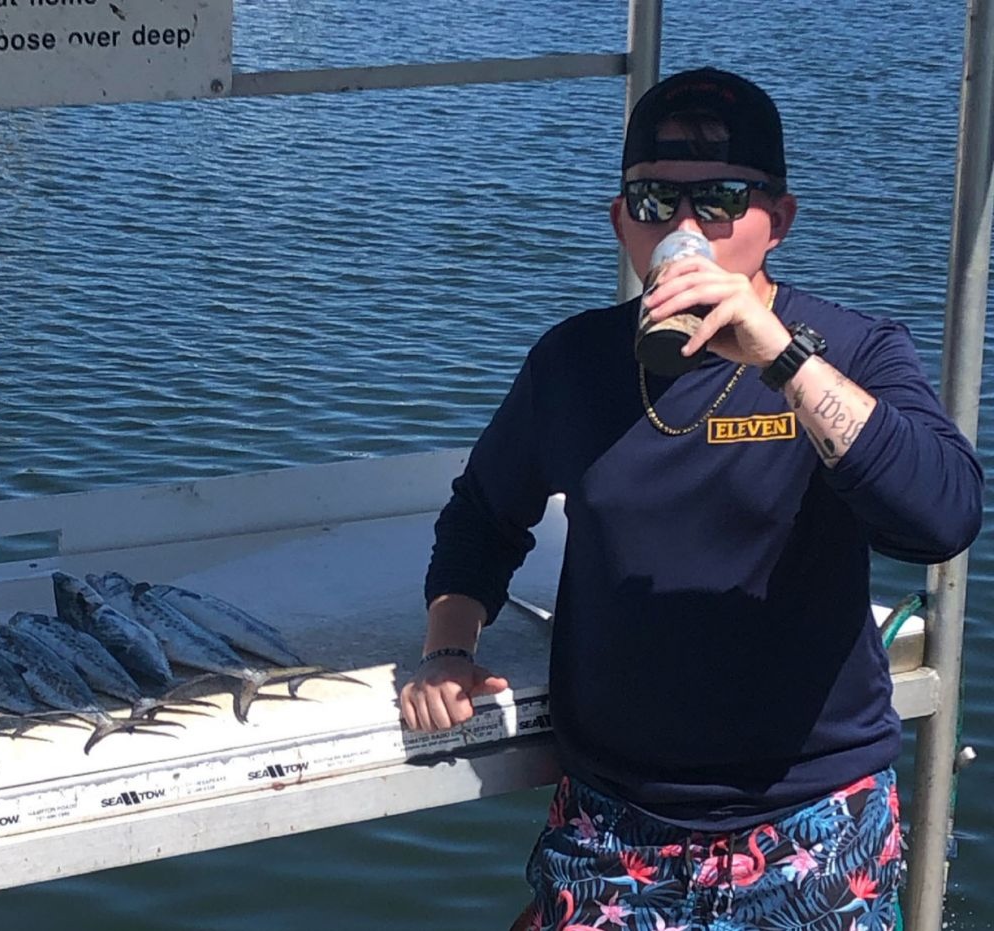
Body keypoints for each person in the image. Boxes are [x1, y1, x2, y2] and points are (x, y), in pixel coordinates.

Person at [399, 67, 984, 931]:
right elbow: (484, 514)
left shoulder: (852, 350)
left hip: (814, 817)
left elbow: (942, 516)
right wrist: (449, 648)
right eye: (653, 200)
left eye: (719, 200)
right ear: (620, 221)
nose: (684, 228)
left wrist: (780, 356)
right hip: (617, 826)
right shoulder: (575, 362)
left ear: (777, 219)